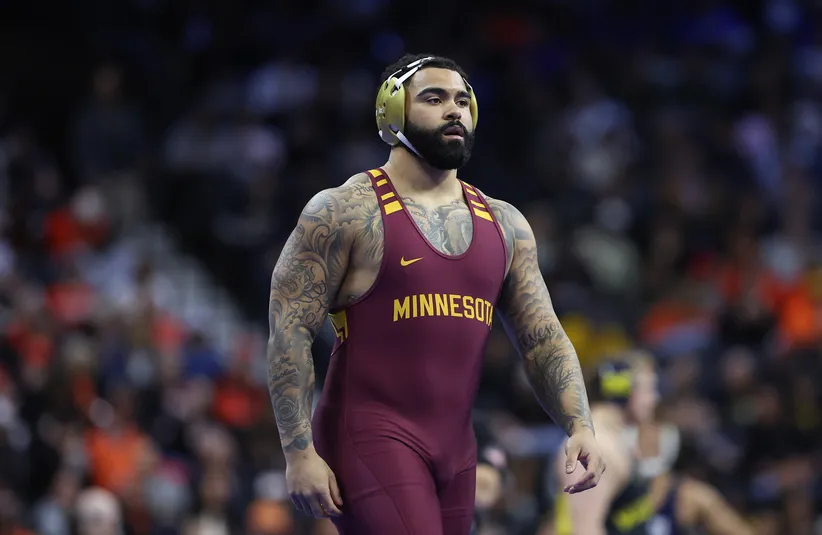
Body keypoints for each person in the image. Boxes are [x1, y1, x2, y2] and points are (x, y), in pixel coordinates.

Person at [266, 53, 605, 535]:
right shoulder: (344, 211)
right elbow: (290, 330)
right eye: (434, 98)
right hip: (368, 437)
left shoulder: (505, 224)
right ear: (392, 110)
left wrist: (579, 425)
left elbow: (543, 337)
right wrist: (299, 453)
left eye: (464, 101)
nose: (455, 111)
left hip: (456, 450)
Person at [625, 354, 755, 535]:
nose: (648, 436)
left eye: (654, 424)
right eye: (639, 427)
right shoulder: (602, 492)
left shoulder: (689, 498)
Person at [550, 357, 655, 535]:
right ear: (624, 390)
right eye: (649, 389)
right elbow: (583, 528)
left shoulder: (610, 439)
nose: (654, 399)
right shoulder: (599, 445)